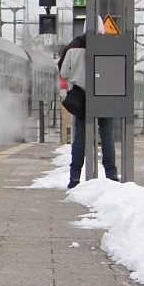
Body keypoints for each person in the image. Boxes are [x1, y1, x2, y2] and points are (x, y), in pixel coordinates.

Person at [58, 33, 118, 187]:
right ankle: (111, 175)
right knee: (107, 136)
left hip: (81, 96)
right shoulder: (109, 46)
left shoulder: (73, 48)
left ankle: (75, 177)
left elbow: (63, 73)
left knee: (80, 137)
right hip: (104, 95)